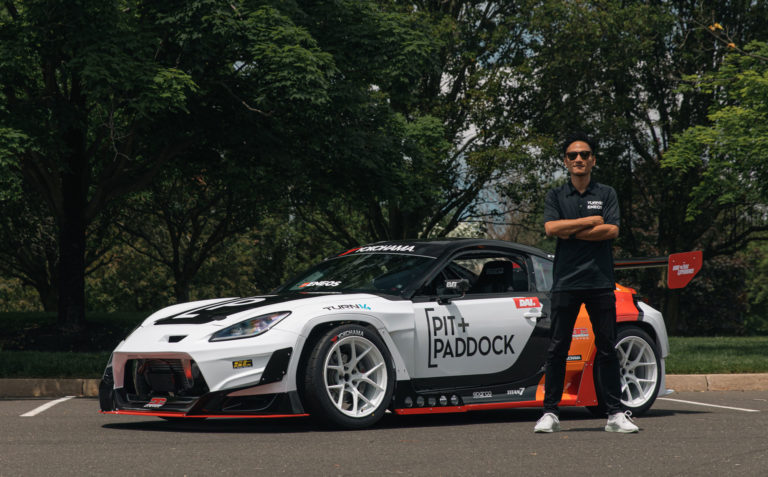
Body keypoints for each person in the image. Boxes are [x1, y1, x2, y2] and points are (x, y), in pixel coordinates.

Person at [534, 132, 639, 433]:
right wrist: (588, 223)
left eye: (584, 154)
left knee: (606, 347)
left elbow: (611, 231)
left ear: (593, 159)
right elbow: (551, 228)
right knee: (558, 348)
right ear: (565, 162)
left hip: (600, 281)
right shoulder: (556, 196)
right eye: (572, 155)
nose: (578, 159)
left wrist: (572, 231)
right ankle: (550, 413)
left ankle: (615, 415)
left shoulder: (606, 193)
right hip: (566, 282)